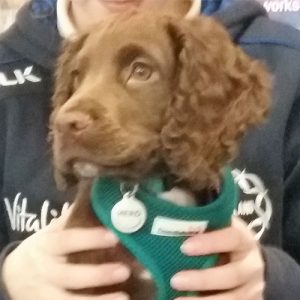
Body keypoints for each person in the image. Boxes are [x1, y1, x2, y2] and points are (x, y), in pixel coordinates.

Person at [0, 0, 300, 299]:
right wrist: (8, 281)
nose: (68, 113)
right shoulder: (7, 65)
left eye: (141, 71)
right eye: (78, 78)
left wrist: (275, 281)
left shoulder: (286, 63)